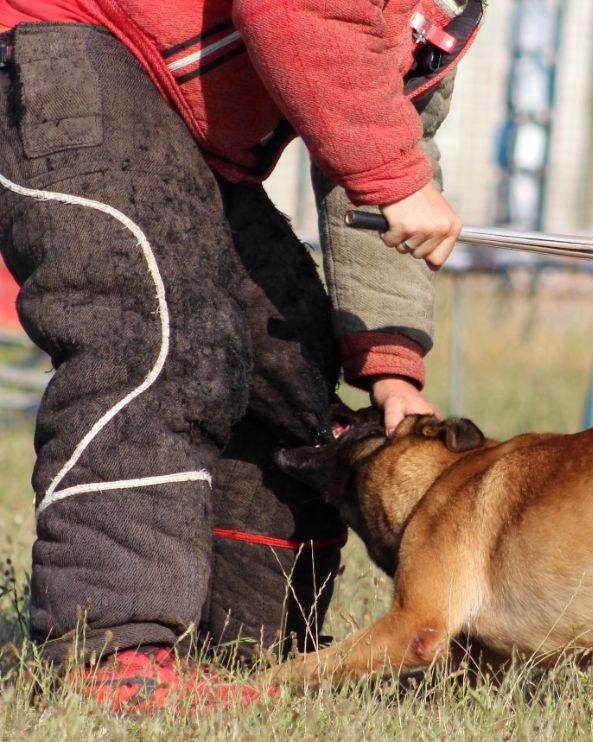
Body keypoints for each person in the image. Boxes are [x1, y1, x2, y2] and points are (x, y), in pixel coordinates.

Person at [0, 0, 483, 712]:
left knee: (289, 368)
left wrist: (391, 363)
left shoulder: (446, 12)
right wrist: (394, 175)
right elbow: (294, 11)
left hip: (183, 134)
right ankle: (113, 650)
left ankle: (252, 658)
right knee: (161, 327)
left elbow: (378, 155)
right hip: (66, 54)